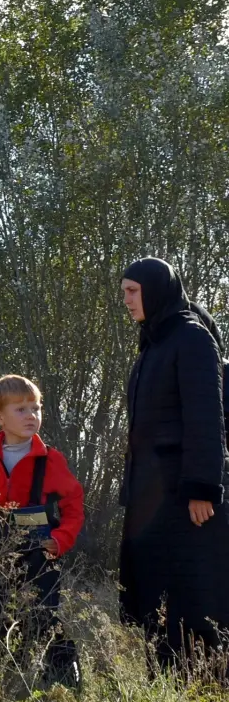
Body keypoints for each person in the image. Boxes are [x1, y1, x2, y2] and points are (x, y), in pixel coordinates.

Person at [118, 257, 229, 671]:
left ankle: (205, 683)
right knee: (155, 589)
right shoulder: (153, 344)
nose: (126, 300)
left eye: (132, 291)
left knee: (194, 589)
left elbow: (207, 417)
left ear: (155, 289)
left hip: (186, 496)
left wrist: (202, 487)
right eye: (125, 291)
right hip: (152, 495)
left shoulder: (192, 338)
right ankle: (164, 679)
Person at [0, 374, 84, 688]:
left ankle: (62, 678)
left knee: (44, 614)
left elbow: (73, 504)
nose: (32, 416)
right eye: (21, 409)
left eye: (36, 408)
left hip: (41, 551)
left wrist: (61, 539)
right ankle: (5, 677)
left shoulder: (51, 460)